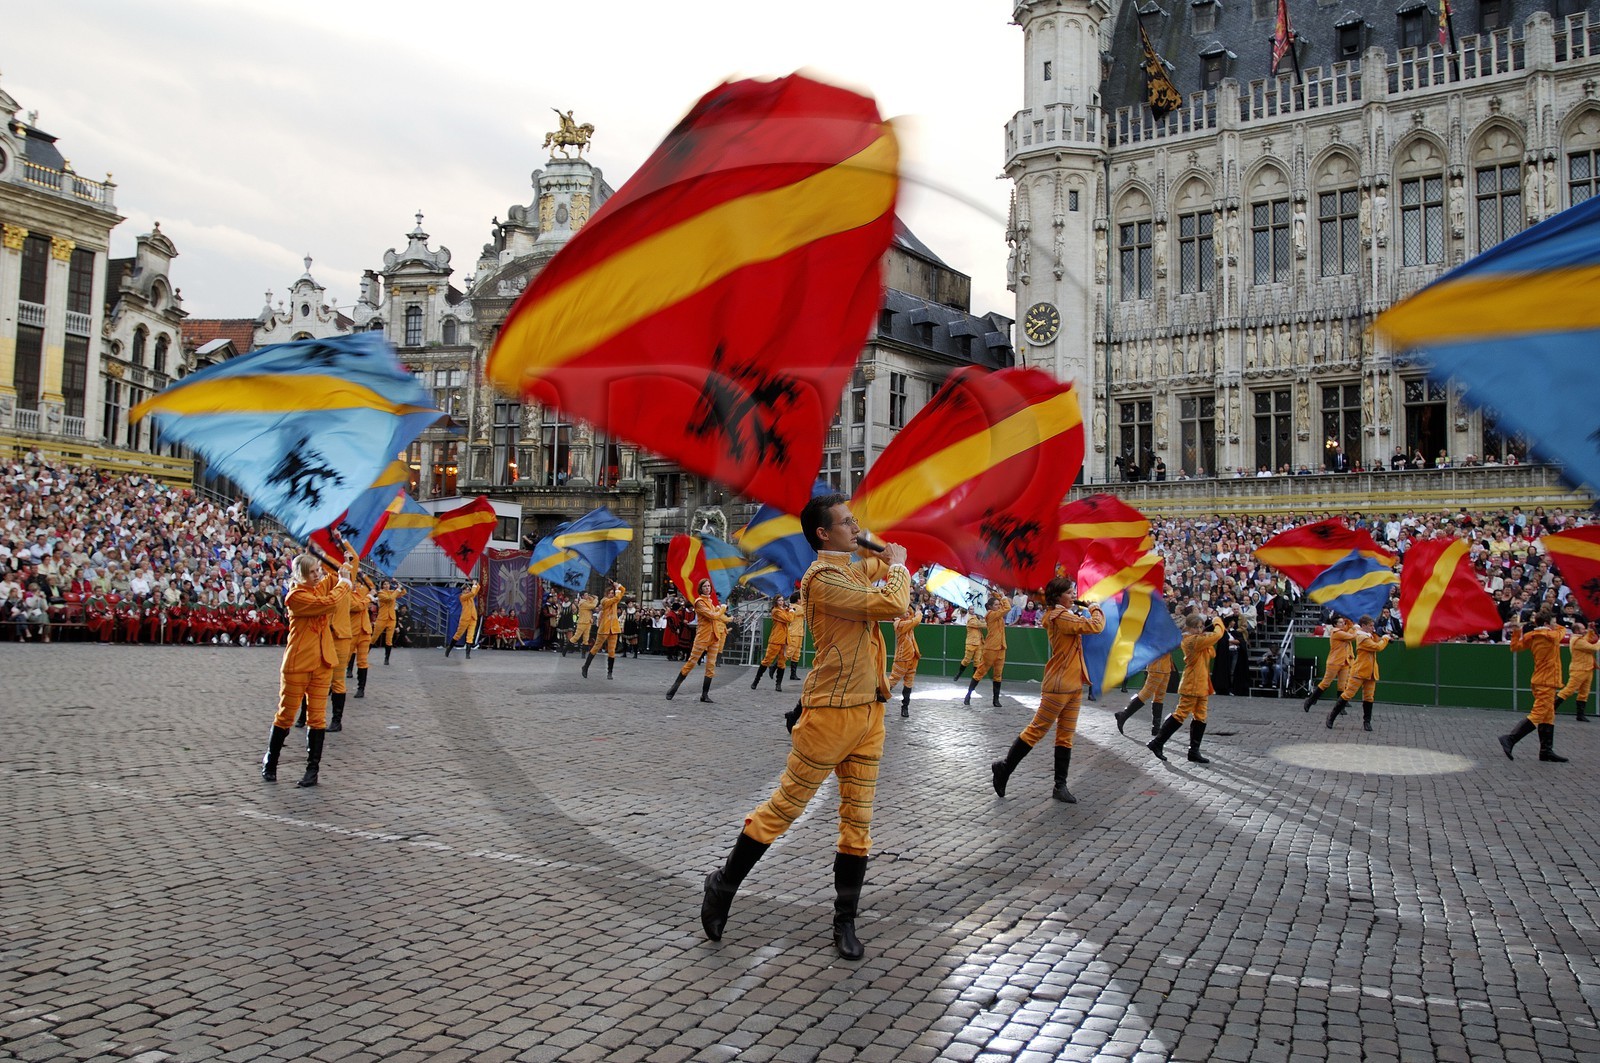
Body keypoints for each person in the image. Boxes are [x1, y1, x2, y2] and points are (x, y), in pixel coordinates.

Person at [699, 493, 909, 961]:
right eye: (846, 522)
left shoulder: (851, 568)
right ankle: (723, 885)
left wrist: (881, 545)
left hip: (869, 711)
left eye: (855, 520)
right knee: (785, 808)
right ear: (822, 534)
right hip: (830, 713)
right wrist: (898, 565)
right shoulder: (822, 578)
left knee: (858, 822)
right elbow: (892, 601)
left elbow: (877, 559)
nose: (855, 527)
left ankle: (844, 921)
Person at [990, 582, 1104, 802]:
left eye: (1073, 592)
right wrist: (1095, 607)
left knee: (1065, 735)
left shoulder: (1061, 614)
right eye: (1069, 593)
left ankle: (1060, 786)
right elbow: (1096, 625)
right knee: (1037, 730)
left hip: (1072, 683)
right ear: (1058, 597)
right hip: (1059, 685)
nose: (1073, 595)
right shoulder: (1060, 616)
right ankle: (1004, 768)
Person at [261, 554, 345, 787]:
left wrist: (340, 551)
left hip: (323, 662)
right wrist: (344, 584)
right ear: (300, 575)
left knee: (317, 718)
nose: (317, 575)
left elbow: (339, 571)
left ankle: (312, 770)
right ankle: (271, 760)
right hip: (298, 663)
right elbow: (329, 603)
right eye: (312, 572)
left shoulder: (319, 587)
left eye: (318, 570)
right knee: (286, 715)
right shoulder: (296, 596)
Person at [1149, 613, 1225, 763]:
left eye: (1201, 627)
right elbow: (1217, 635)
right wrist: (1217, 621)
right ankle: (1157, 742)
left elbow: (1211, 651)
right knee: (1181, 714)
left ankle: (1193, 751)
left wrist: (1207, 636)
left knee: (1201, 716)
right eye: (1196, 627)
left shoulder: (1196, 639)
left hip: (1202, 684)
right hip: (1192, 683)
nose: (1199, 630)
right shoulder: (1191, 640)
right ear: (1189, 628)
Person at [1500, 610, 1570, 762]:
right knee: (1538, 714)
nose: (1555, 625)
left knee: (1548, 715)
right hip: (1547, 681)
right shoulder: (1552, 635)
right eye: (1552, 622)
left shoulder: (1530, 636)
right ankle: (1510, 739)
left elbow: (1514, 647)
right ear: (1546, 624)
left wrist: (1517, 631)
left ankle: (1546, 751)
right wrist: (1555, 625)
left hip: (1539, 679)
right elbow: (1562, 631)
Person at [667, 579, 729, 703]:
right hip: (702, 638)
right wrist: (722, 609)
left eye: (709, 586)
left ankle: (704, 695)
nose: (707, 588)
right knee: (691, 663)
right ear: (700, 588)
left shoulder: (710, 602)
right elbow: (713, 616)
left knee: (711, 666)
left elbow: (718, 616)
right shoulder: (699, 602)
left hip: (714, 637)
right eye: (705, 586)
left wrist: (720, 611)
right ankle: (673, 689)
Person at [1324, 615, 1391, 731]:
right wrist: (1385, 638)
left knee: (1369, 697)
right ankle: (1332, 716)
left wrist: (1379, 634)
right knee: (1348, 694)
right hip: (1359, 671)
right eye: (1370, 626)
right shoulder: (1362, 637)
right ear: (1363, 626)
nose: (1372, 627)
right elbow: (1377, 647)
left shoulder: (1368, 635)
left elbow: (1375, 640)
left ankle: (1367, 722)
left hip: (1371, 671)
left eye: (1373, 625)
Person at [1302, 615, 1359, 713]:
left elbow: (1348, 629)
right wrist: (1355, 629)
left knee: (1342, 685)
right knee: (1325, 683)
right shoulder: (1336, 632)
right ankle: (1310, 701)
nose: (1343, 624)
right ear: (1335, 624)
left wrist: (1349, 623)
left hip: (1344, 661)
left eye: (1343, 622)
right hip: (1335, 662)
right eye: (1340, 622)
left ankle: (1340, 708)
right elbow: (1352, 637)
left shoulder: (1341, 631)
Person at [963, 593, 1010, 707]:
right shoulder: (991, 614)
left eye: (998, 604)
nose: (998, 606)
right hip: (991, 648)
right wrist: (1003, 597)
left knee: (998, 674)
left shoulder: (997, 614)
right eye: (996, 605)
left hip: (1001, 647)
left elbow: (1003, 607)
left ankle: (996, 700)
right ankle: (968, 695)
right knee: (980, 672)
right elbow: (1007, 608)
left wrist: (998, 596)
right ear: (990, 607)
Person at [1115, 650, 1173, 737]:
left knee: (1159, 696)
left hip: (1165, 666)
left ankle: (1156, 728)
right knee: (1145, 694)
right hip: (1156, 666)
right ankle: (1123, 715)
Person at [582, 579, 626, 679]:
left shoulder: (615, 599)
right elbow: (616, 597)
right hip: (604, 628)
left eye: (612, 593)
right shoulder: (604, 601)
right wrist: (616, 589)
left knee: (612, 651)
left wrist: (617, 585)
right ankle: (585, 667)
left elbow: (623, 590)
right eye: (610, 593)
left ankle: (610, 672)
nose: (612, 594)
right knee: (596, 648)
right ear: (606, 594)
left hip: (613, 629)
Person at [1557, 620, 1599, 722]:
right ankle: (1551, 708)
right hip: (1579, 670)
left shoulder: (1580, 638)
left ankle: (1580, 715)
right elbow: (1594, 648)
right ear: (1577, 631)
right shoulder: (1577, 641)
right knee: (1568, 690)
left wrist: (1591, 630)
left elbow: (1588, 638)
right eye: (1583, 629)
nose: (1585, 630)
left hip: (1587, 669)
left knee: (1584, 692)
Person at [752, 594, 794, 691]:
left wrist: (788, 609)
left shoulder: (783, 610)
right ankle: (756, 681)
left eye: (782, 600)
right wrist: (791, 611)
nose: (781, 602)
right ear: (775, 601)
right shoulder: (776, 611)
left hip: (785, 640)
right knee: (767, 661)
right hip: (776, 640)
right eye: (779, 600)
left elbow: (788, 617)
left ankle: (778, 684)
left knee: (782, 663)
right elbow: (789, 619)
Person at [888, 605, 921, 717]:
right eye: (905, 612)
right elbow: (916, 620)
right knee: (892, 681)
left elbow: (913, 618)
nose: (907, 613)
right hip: (902, 658)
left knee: (909, 683)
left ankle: (905, 707)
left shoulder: (906, 622)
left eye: (908, 612)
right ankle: (878, 697)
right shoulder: (899, 624)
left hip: (912, 657)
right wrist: (919, 612)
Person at [346, 574, 374, 706]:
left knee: (362, 661)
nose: (355, 584)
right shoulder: (345, 596)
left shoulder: (360, 592)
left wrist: (363, 574)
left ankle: (361, 688)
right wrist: (369, 598)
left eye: (356, 582)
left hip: (364, 631)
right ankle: (333, 685)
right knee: (343, 661)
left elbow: (371, 586)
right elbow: (357, 607)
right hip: (351, 632)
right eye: (352, 582)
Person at [445, 579, 479, 658]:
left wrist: (476, 584)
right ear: (463, 591)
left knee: (470, 636)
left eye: (468, 589)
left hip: (473, 618)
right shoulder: (462, 597)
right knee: (458, 635)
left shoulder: (470, 596)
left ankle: (467, 654)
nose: (468, 590)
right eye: (466, 589)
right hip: (465, 619)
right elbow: (473, 592)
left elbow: (476, 590)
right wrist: (474, 585)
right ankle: (449, 647)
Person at [374, 580, 405, 665]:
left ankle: (386, 658)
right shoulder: (380, 593)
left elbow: (403, 592)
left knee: (389, 640)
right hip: (382, 618)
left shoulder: (392, 592)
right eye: (384, 584)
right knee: (374, 638)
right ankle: (365, 654)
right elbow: (389, 599)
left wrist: (398, 583)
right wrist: (397, 590)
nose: (386, 585)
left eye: (387, 584)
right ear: (382, 586)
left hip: (391, 618)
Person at [952, 606, 984, 680]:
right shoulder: (969, 619)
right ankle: (959, 673)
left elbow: (981, 623)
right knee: (967, 660)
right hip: (971, 643)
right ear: (968, 610)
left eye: (973, 609)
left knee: (977, 661)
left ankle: (974, 677)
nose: (973, 610)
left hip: (979, 642)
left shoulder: (976, 617)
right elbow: (980, 625)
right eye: (971, 609)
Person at [784, 589, 806, 680]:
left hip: (799, 633)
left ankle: (793, 674)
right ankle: (775, 666)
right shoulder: (796, 608)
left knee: (796, 654)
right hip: (794, 633)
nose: (802, 600)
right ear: (797, 600)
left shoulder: (794, 607)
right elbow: (806, 610)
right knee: (789, 652)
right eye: (801, 599)